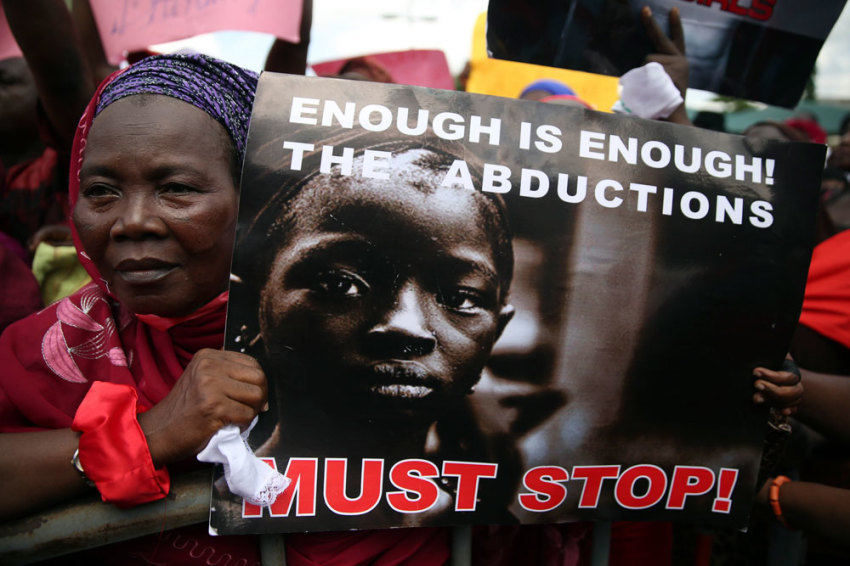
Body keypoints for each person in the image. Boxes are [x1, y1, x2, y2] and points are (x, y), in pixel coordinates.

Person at [215, 137, 515, 532]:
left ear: (495, 333)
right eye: (340, 284)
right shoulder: (199, 520)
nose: (405, 326)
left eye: (460, 297)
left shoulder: (497, 541)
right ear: (251, 307)